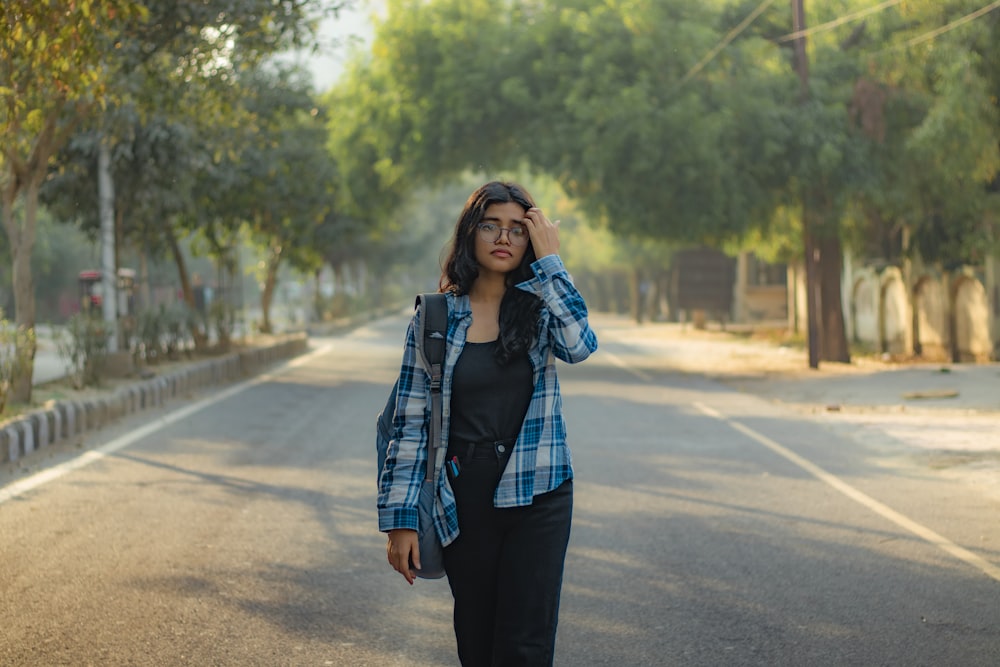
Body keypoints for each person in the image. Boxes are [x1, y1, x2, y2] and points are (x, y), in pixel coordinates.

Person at [378, 180, 598, 666]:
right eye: (490, 226)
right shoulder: (435, 318)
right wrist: (401, 521)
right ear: (470, 234)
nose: (504, 238)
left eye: (518, 230)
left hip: (538, 492)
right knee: (476, 643)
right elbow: (411, 423)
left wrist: (551, 262)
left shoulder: (540, 308)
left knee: (525, 646)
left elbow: (580, 345)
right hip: (464, 496)